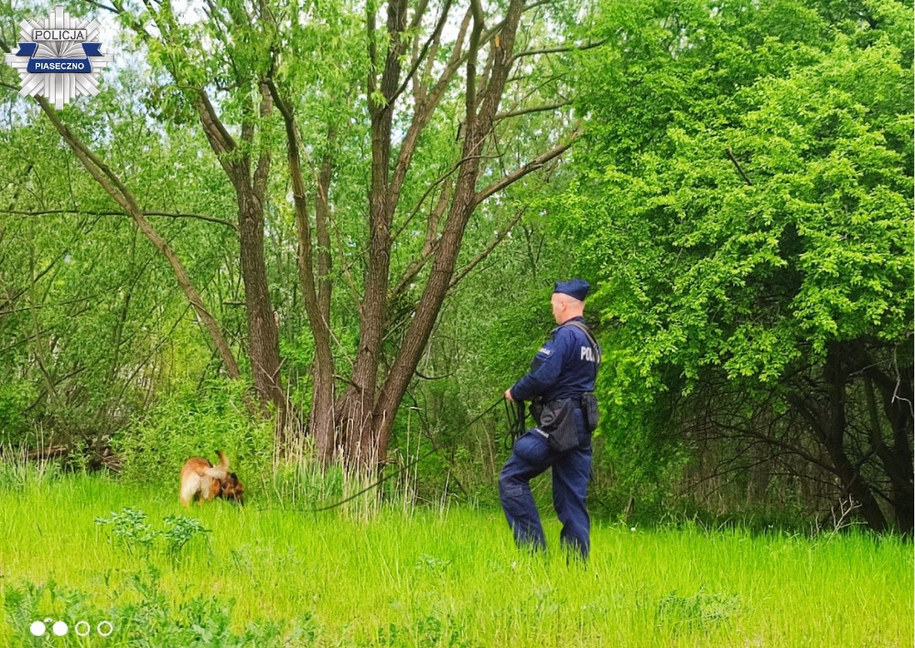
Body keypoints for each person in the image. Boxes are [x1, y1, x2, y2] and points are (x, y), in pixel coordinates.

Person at [500, 279, 601, 560]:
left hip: (559, 423)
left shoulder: (566, 336)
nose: (552, 310)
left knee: (511, 477)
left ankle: (533, 555)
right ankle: (575, 569)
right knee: (572, 500)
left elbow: (544, 376)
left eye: (553, 305)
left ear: (563, 304)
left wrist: (515, 392)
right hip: (582, 427)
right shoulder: (591, 342)